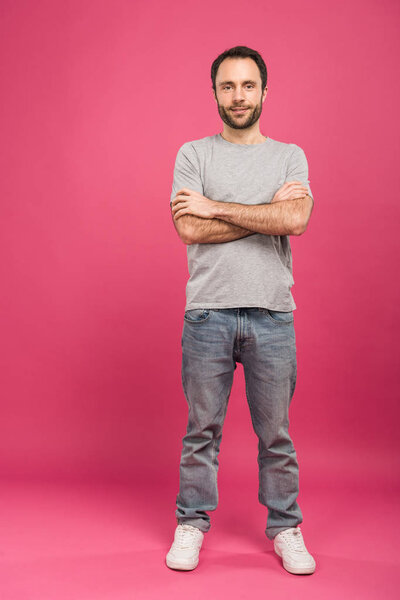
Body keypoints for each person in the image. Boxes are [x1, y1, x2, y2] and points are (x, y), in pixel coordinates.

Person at [166, 45, 316, 575]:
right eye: (227, 86)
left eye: (247, 85)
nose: (238, 96)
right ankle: (191, 523)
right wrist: (266, 213)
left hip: (272, 314)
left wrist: (219, 208)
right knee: (201, 430)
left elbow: (296, 221)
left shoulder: (290, 155)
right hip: (206, 312)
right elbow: (188, 228)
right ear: (214, 93)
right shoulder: (194, 154)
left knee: (276, 434)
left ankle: (286, 527)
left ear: (264, 91)